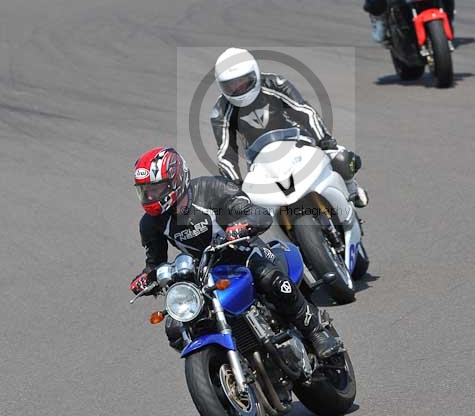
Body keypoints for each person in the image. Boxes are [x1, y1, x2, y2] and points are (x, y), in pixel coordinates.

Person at [129, 146, 341, 359]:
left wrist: (242, 225)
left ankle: (316, 331)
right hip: (205, 272)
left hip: (242, 251)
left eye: (155, 189)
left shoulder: (211, 189)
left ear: (175, 181)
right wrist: (146, 278)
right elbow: (155, 262)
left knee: (271, 279)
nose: (149, 196)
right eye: (144, 190)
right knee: (176, 326)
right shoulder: (150, 224)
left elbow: (256, 212)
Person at [210, 47, 368, 207]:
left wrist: (325, 141)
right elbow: (225, 152)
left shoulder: (275, 84)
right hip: (260, 163)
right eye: (231, 85)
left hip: (299, 143)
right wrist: (235, 184)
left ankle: (352, 189)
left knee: (342, 159)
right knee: (252, 210)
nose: (239, 88)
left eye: (243, 81)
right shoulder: (220, 111)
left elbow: (304, 111)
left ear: (255, 74)